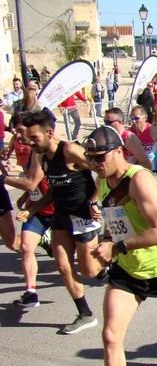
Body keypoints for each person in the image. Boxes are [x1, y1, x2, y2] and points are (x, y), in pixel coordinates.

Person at [82, 126, 157, 365]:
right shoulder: (104, 180)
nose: (95, 163)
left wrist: (116, 248)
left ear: (119, 151)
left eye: (100, 157)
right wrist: (107, 242)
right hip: (127, 271)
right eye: (91, 158)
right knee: (110, 337)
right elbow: (114, 219)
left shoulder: (140, 179)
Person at [16, 111, 103, 334]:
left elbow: (103, 172)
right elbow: (53, 188)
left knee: (88, 270)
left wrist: (94, 201)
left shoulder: (70, 150)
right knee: (63, 266)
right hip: (62, 215)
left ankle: (109, 261)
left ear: (50, 133)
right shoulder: (41, 156)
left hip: (84, 214)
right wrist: (33, 210)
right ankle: (85, 314)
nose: (31, 143)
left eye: (34, 138)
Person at [2, 117, 51, 308]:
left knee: (72, 263)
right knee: (26, 247)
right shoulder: (21, 144)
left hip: (57, 207)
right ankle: (31, 292)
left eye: (21, 131)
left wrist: (4, 179)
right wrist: (26, 196)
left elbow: (31, 181)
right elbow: (31, 183)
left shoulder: (40, 151)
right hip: (37, 206)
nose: (17, 135)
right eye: (15, 131)